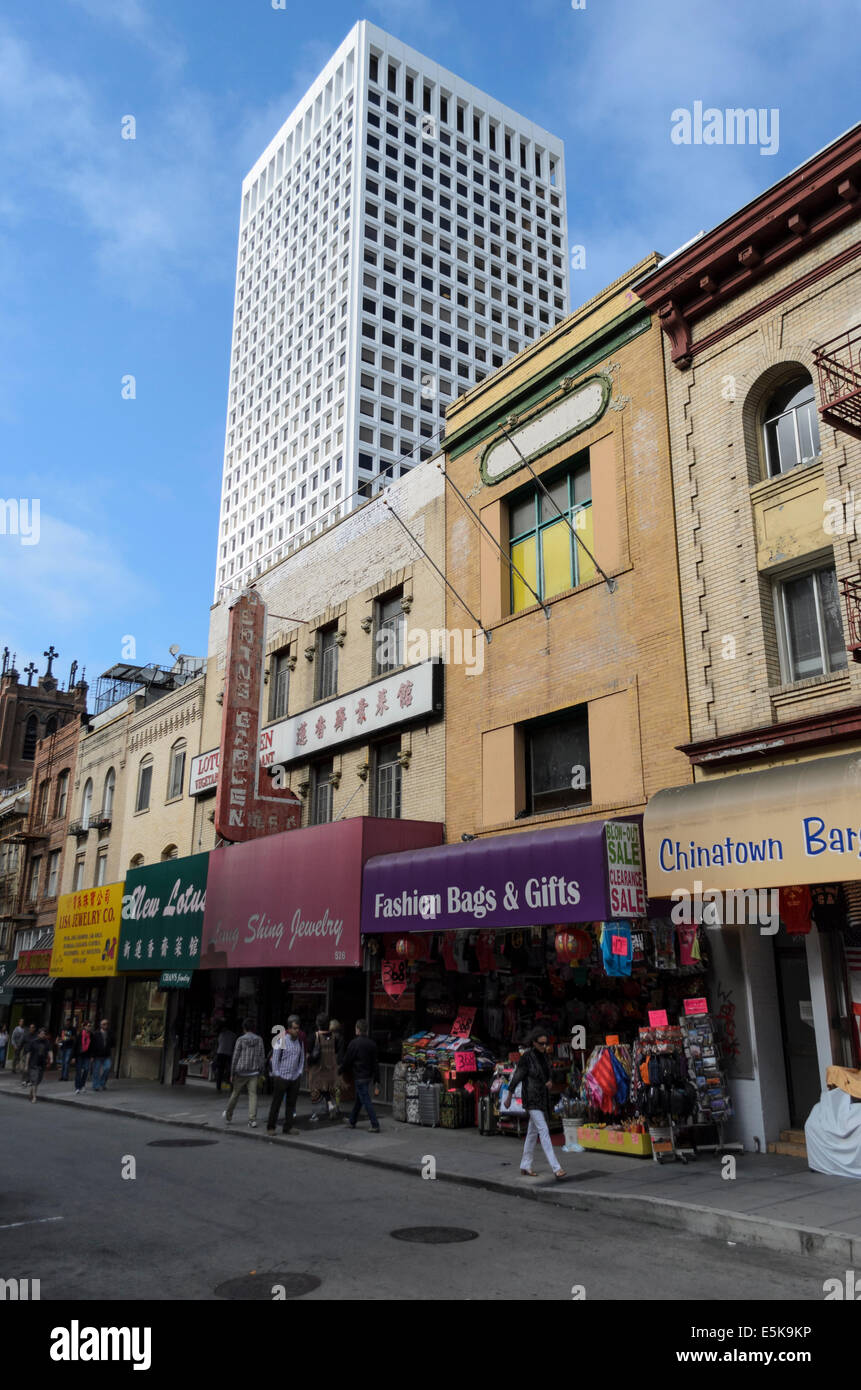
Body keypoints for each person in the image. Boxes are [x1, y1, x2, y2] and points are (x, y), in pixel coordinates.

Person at [510, 1028, 566, 1180]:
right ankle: (556, 1167)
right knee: (543, 1130)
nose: (544, 1046)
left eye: (546, 1043)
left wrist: (549, 1081)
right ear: (534, 1043)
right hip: (531, 1098)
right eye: (541, 1043)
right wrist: (509, 1093)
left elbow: (548, 1074)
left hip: (542, 1097)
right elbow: (517, 1076)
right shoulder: (527, 1057)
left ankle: (525, 1165)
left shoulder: (545, 1057)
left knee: (532, 1133)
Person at [340, 1019, 381, 1133]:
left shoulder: (354, 1043)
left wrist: (340, 1070)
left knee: (365, 1100)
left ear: (357, 1029)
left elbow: (347, 1060)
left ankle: (375, 1124)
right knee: (359, 1099)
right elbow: (375, 1063)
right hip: (368, 1076)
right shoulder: (372, 1044)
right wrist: (377, 1080)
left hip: (359, 1075)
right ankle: (352, 1121)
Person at [266, 1016, 304, 1136]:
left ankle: (288, 1127)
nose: (297, 1031)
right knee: (276, 1103)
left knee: (291, 1104)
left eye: (298, 1028)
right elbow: (275, 1059)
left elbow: (301, 1058)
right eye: (294, 1028)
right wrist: (277, 1075)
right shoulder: (281, 1040)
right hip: (281, 1077)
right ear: (289, 1028)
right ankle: (271, 1127)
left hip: (294, 1077)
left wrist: (299, 1072)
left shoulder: (300, 1042)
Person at [223, 1018, 265, 1128]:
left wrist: (232, 1073)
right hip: (254, 1072)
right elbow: (262, 1056)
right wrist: (261, 1071)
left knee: (235, 1093)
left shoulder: (240, 1040)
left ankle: (228, 1115)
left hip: (241, 1071)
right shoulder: (259, 1040)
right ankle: (252, 1119)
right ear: (254, 1028)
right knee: (253, 1095)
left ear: (244, 1028)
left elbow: (235, 1057)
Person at [307, 1013, 339, 1121]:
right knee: (328, 1089)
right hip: (330, 1069)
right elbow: (336, 1052)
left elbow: (308, 1054)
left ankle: (315, 1115)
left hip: (317, 1069)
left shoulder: (314, 1037)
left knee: (315, 1090)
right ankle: (330, 1105)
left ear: (317, 1023)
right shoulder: (334, 1037)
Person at [23, 1027, 53, 1103]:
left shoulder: (47, 1042)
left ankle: (31, 1092)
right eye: (42, 1034)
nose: (43, 1035)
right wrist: (26, 1065)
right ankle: (34, 1097)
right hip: (33, 1064)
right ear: (38, 1034)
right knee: (35, 1080)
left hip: (42, 1064)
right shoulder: (33, 1042)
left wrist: (51, 1058)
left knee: (38, 1080)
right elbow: (28, 1054)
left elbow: (50, 1051)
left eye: (44, 1034)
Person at [328, 1019, 348, 1118]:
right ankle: (337, 1106)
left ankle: (329, 1105)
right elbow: (341, 1054)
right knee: (337, 1088)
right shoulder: (341, 1038)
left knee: (328, 1086)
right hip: (337, 1064)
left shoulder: (328, 1038)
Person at [212, 1021, 237, 1093]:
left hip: (220, 1053)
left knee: (220, 1070)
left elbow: (218, 1043)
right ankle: (230, 1086)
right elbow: (234, 1044)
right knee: (230, 1070)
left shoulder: (221, 1034)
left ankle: (219, 1086)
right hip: (228, 1054)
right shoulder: (233, 1035)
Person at [89, 1018, 114, 1091]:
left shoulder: (109, 1033)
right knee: (96, 1071)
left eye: (107, 1024)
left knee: (107, 1068)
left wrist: (112, 1036)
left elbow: (113, 1043)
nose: (106, 1025)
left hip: (106, 1055)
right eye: (104, 1024)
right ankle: (95, 1085)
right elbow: (92, 1045)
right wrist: (92, 1056)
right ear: (101, 1025)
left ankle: (102, 1083)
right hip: (97, 1055)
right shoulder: (96, 1034)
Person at [74, 1020, 93, 1094]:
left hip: (87, 1055)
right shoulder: (80, 1034)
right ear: (84, 1026)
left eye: (90, 1026)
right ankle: (77, 1087)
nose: (89, 1027)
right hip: (79, 1055)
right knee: (78, 1071)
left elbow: (93, 1046)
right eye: (88, 1026)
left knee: (86, 1070)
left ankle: (82, 1084)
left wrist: (92, 1056)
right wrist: (73, 1057)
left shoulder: (91, 1035)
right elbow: (75, 1045)